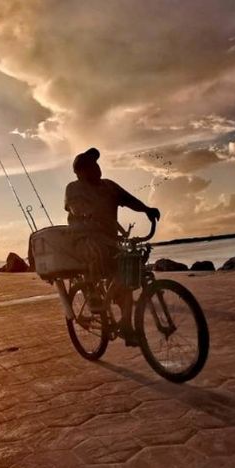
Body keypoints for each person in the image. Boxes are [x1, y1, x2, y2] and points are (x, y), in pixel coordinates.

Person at [64, 147, 160, 346]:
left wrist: (146, 210)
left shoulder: (108, 186)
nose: (96, 169)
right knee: (96, 253)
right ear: (80, 172)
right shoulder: (74, 187)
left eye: (96, 164)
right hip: (84, 238)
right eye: (90, 166)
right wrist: (84, 212)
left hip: (110, 240)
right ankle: (92, 294)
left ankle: (125, 324)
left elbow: (129, 199)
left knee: (127, 276)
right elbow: (74, 205)